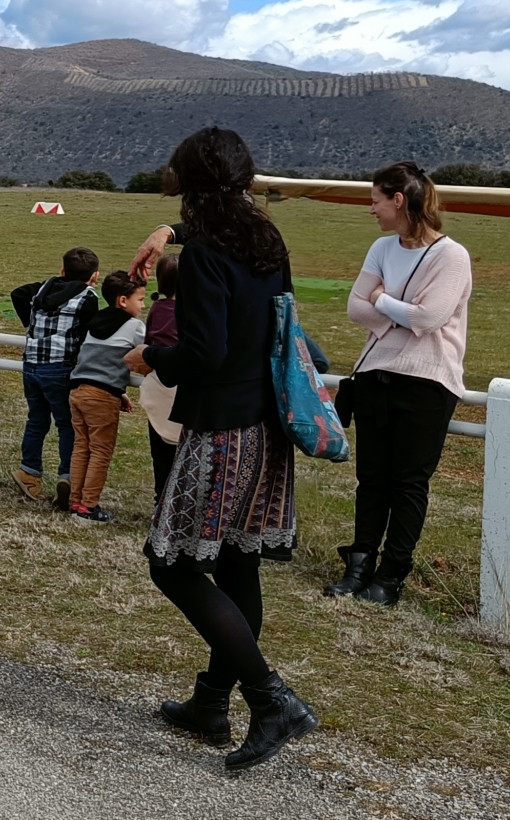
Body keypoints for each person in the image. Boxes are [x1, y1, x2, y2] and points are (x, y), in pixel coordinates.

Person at [124, 126, 318, 773]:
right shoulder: (266, 239)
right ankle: (211, 703)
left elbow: (202, 354)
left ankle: (270, 700)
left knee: (172, 565)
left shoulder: (207, 256)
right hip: (268, 424)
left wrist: (151, 355)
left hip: (223, 429)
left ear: (189, 179)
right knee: (238, 566)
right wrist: (167, 233)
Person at [328, 161, 474, 607]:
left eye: (375, 200)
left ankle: (391, 576)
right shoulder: (381, 248)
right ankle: (360, 566)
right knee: (371, 478)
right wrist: (401, 314)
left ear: (398, 200)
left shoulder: (452, 256)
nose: (370, 209)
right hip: (376, 375)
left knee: (408, 482)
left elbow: (430, 318)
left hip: (428, 380)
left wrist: (383, 302)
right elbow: (357, 308)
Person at [11, 247, 101, 511]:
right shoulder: (88, 297)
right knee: (67, 425)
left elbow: (17, 293)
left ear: (63, 271)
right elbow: (88, 333)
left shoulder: (42, 289)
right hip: (61, 367)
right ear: (94, 277)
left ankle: (29, 473)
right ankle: (67, 477)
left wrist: (31, 326)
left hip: (32, 365)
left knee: (36, 420)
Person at [66, 270, 147, 523]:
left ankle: (75, 500)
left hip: (78, 391)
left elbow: (98, 361)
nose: (143, 305)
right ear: (123, 301)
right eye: (141, 299)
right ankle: (89, 506)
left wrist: (119, 391)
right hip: (101, 397)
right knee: (101, 451)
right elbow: (149, 350)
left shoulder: (96, 323)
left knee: (81, 448)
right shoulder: (134, 327)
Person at [140, 252, 183, 505]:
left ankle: (161, 500)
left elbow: (148, 341)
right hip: (184, 386)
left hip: (158, 383)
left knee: (161, 450)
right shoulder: (193, 311)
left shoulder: (156, 308)